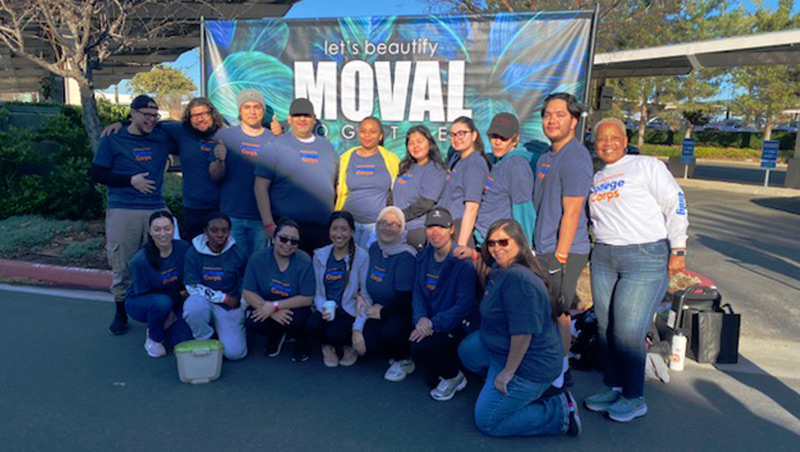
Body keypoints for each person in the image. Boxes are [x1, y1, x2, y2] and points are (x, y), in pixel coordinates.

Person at [583, 118, 688, 422]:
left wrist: (678, 248)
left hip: (645, 254)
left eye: (615, 137)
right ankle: (613, 385)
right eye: (601, 139)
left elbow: (675, 203)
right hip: (604, 255)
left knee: (628, 331)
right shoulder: (597, 175)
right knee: (605, 328)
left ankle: (633, 396)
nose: (608, 143)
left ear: (625, 139)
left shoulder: (647, 166)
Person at [458, 219, 581, 437]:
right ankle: (501, 389)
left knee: (487, 420)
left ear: (519, 243)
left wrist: (507, 373)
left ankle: (560, 411)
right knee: (468, 351)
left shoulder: (519, 280)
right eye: (492, 243)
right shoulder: (502, 269)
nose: (497, 248)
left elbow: (523, 334)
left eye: (504, 242)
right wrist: (474, 256)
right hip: (500, 348)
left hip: (529, 364)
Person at [91, 94, 177, 335]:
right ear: (133, 113)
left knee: (166, 259)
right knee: (123, 263)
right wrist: (130, 181)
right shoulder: (112, 139)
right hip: (124, 208)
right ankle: (120, 312)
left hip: (156, 207)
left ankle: (166, 310)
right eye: (146, 114)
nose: (151, 119)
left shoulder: (161, 137)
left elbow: (188, 128)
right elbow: (97, 174)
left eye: (155, 115)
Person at [99, 97, 238, 240]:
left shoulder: (226, 135)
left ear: (213, 113)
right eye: (195, 115)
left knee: (223, 252)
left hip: (224, 207)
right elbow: (152, 123)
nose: (200, 119)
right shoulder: (181, 131)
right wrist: (122, 123)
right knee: (195, 252)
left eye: (204, 114)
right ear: (189, 118)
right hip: (194, 207)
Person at [534, 92, 593, 387]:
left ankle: (560, 371)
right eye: (547, 115)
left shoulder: (575, 157)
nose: (552, 120)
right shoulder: (547, 155)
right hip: (543, 248)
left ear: (573, 120)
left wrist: (559, 257)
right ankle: (549, 364)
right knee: (544, 311)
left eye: (559, 114)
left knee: (557, 312)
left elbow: (572, 213)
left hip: (563, 252)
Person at [410, 206, 478, 401]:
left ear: (451, 229)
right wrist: (421, 318)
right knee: (415, 345)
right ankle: (442, 368)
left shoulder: (461, 261)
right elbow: (418, 293)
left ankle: (454, 376)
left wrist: (433, 324)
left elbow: (463, 306)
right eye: (431, 226)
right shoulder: (423, 257)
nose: (435, 232)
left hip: (456, 324)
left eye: (441, 226)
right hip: (431, 319)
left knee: (423, 346)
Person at [254, 98, 338, 256]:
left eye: (306, 115)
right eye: (297, 115)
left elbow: (335, 185)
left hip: (321, 230)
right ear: (289, 118)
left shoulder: (327, 147)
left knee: (317, 277)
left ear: (314, 118)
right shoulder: (275, 145)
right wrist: (268, 224)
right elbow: (260, 186)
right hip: (287, 232)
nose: (302, 119)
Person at [210, 89, 275, 256]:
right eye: (247, 107)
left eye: (257, 107)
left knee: (258, 267)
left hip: (262, 219)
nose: (252, 112)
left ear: (263, 110)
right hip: (232, 216)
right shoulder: (225, 136)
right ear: (240, 110)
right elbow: (215, 176)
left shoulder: (274, 140)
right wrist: (220, 161)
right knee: (234, 266)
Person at [357, 207, 418, 381]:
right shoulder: (375, 248)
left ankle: (404, 359)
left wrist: (382, 312)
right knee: (366, 346)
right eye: (383, 223)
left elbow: (405, 300)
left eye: (394, 224)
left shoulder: (406, 256)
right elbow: (365, 279)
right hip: (375, 307)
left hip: (399, 311)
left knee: (390, 332)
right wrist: (361, 297)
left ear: (402, 229)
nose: (387, 228)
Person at [243, 218, 315, 362]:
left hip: (294, 307)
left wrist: (274, 307)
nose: (288, 244)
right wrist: (268, 309)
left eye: (294, 241)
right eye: (283, 239)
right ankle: (275, 333)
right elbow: (247, 291)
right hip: (267, 302)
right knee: (253, 319)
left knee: (299, 320)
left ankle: (300, 339)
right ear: (274, 239)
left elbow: (307, 298)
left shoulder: (304, 261)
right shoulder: (258, 258)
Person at [307, 211, 371, 367]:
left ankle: (347, 346)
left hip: (349, 311)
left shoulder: (361, 256)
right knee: (311, 325)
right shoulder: (320, 255)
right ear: (329, 231)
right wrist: (323, 306)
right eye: (334, 229)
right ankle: (327, 346)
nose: (339, 234)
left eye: (344, 229)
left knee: (334, 333)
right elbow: (317, 290)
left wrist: (358, 328)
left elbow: (365, 294)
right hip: (327, 309)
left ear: (352, 231)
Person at [125, 211, 193, 357]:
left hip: (175, 300)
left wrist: (175, 304)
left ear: (174, 229)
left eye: (167, 228)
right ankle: (154, 336)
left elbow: (189, 281)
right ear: (150, 231)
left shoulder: (184, 248)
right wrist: (174, 300)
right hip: (142, 301)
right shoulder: (140, 260)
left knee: (184, 341)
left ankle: (165, 325)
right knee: (162, 303)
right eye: (157, 229)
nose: (163, 234)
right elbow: (143, 292)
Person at [183, 213, 249, 360]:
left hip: (229, 307)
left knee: (235, 354)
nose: (220, 235)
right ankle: (204, 339)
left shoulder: (238, 252)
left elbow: (246, 282)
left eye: (224, 230)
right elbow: (192, 286)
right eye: (214, 230)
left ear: (230, 231)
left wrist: (242, 305)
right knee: (194, 305)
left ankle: (225, 331)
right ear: (206, 231)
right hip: (205, 301)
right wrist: (224, 298)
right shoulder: (193, 253)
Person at [334, 116, 400, 249]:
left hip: (376, 226)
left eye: (373, 131)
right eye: (363, 131)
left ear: (380, 136)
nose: (367, 135)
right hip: (348, 224)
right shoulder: (346, 157)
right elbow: (338, 188)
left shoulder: (391, 160)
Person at [475, 113, 536, 246]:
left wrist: (525, 248)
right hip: (485, 241)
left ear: (515, 140)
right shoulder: (496, 161)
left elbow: (523, 208)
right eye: (494, 136)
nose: (497, 142)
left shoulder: (517, 165)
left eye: (504, 138)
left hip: (502, 246)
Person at [438, 116, 490, 259]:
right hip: (447, 228)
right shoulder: (456, 159)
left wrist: (461, 246)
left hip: (460, 229)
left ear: (473, 135)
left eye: (462, 133)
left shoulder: (475, 164)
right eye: (453, 135)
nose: (456, 138)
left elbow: (472, 207)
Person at [390, 125, 447, 250]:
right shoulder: (407, 167)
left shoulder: (435, 169)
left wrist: (399, 217)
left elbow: (426, 203)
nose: (415, 146)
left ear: (430, 143)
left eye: (420, 141)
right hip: (397, 229)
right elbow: (393, 193)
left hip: (417, 230)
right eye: (411, 143)